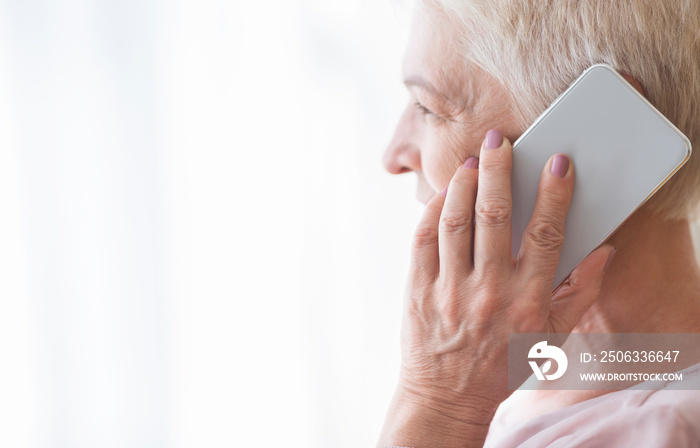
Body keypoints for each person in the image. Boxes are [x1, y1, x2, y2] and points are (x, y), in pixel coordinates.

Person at [377, 0, 700, 446]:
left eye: (430, 108)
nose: (392, 155)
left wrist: (439, 405)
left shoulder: (661, 431)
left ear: (605, 134)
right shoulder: (525, 383)